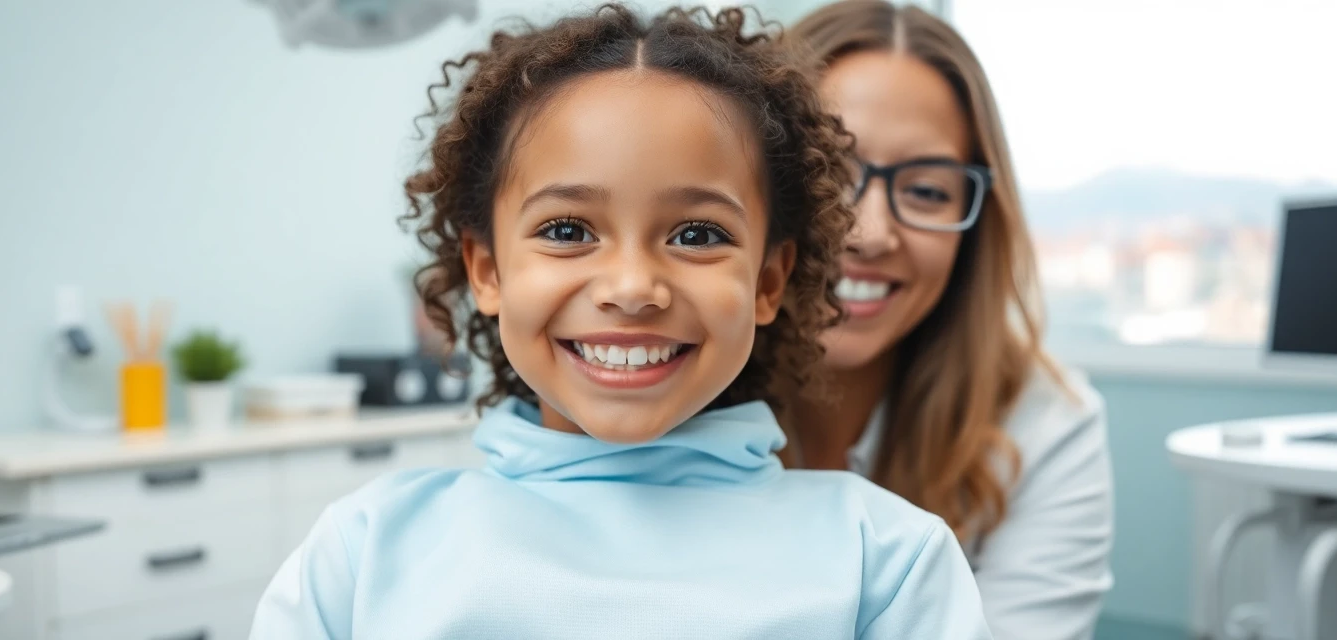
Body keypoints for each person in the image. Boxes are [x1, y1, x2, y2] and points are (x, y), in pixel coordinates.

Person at [251, 5, 991, 638]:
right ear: (487, 271)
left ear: (769, 280)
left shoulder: (887, 562)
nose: (633, 287)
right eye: (569, 230)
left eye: (697, 235)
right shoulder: (363, 553)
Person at [783, 3, 1115, 639]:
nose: (869, 233)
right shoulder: (649, 394)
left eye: (927, 190)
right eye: (826, 173)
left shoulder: (1044, 428)